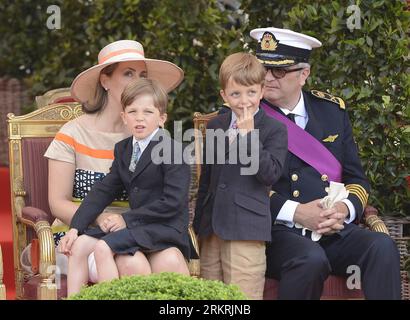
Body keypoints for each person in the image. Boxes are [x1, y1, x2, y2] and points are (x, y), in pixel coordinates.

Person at [248, 27, 401, 299]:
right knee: (310, 259)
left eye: (279, 71)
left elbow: (357, 180)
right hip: (276, 232)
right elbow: (243, 188)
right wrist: (297, 213)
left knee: (381, 246)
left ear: (303, 74)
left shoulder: (331, 111)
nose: (268, 78)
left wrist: (343, 209)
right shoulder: (244, 116)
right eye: (264, 70)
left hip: (332, 229)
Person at [45, 40, 185, 283]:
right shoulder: (72, 134)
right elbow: (57, 202)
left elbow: (168, 196)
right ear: (105, 80)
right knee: (132, 262)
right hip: (83, 232)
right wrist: (98, 218)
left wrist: (128, 223)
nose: (137, 81)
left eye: (142, 75)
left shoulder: (147, 135)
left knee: (171, 260)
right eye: (128, 73)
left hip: (138, 229)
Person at [59, 78, 191, 295]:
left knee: (103, 247)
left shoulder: (173, 150)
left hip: (164, 227)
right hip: (138, 227)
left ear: (162, 119)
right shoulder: (124, 149)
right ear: (124, 117)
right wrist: (75, 227)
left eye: (147, 112)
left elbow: (172, 203)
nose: (139, 118)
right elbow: (104, 190)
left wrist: (126, 219)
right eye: (132, 112)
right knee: (80, 245)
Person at [193, 52, 288, 299]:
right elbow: (207, 179)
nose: (244, 101)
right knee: (209, 298)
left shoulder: (274, 129)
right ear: (224, 95)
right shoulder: (216, 126)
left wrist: (249, 137)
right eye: (235, 94)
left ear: (262, 91)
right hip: (211, 228)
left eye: (251, 93)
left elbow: (269, 175)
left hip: (246, 229)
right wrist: (196, 228)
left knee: (241, 298)